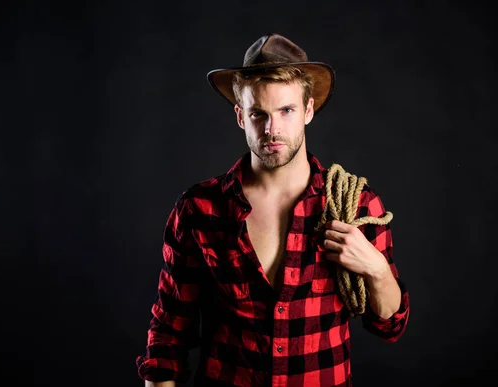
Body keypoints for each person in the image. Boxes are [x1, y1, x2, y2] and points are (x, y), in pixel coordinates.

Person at [136, 33, 410, 387]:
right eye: (258, 114)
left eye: (286, 111)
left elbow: (390, 324)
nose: (272, 129)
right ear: (240, 116)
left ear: (308, 110)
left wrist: (375, 269)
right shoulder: (200, 208)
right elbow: (168, 336)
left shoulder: (355, 204)